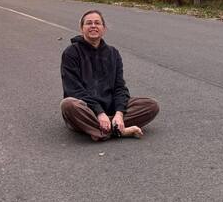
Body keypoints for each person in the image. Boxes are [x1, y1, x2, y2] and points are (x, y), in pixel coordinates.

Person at [60, 9, 159, 141]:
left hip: (110, 108)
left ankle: (106, 127)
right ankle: (119, 131)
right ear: (81, 28)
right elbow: (73, 90)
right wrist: (99, 113)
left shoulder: (113, 53)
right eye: (89, 23)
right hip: (86, 110)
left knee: (151, 105)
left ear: (104, 28)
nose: (93, 26)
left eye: (97, 23)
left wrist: (119, 113)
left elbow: (120, 87)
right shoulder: (71, 53)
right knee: (68, 105)